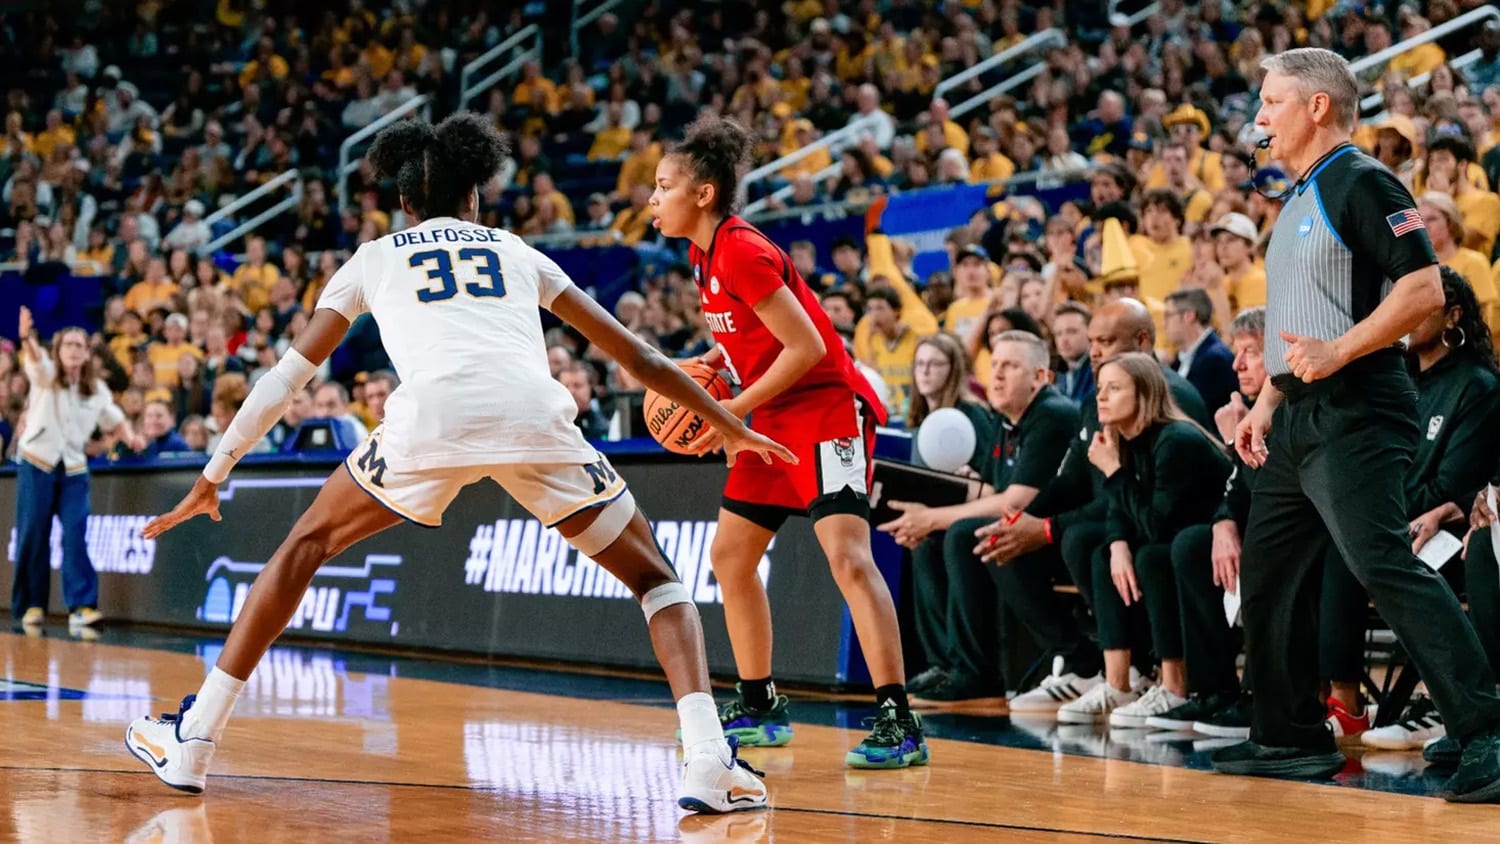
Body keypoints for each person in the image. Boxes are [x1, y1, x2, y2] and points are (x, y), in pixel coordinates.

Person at [124, 113, 790, 813]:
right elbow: (640, 358)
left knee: (303, 548)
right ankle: (709, 762)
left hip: (431, 419)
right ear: (475, 195)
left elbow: (285, 380)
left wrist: (213, 475)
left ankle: (195, 740)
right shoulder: (516, 250)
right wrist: (729, 424)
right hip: (534, 414)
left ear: (404, 203)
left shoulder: (374, 257)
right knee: (658, 583)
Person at [1214, 47, 1500, 803]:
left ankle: (1487, 730)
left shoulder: (1363, 182)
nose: (1259, 116)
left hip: (1359, 408)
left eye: (1272, 101)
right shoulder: (1298, 196)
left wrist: (1338, 351)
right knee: (1269, 574)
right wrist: (1266, 405)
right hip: (1298, 414)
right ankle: (1287, 736)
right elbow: (1295, 328)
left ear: (1316, 107)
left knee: (1383, 564)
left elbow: (1425, 291)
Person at [649, 115, 927, 768]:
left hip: (824, 409)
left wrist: (728, 416)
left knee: (848, 558)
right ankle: (760, 703)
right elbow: (749, 328)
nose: (652, 199)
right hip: (770, 416)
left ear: (704, 195)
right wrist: (719, 362)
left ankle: (899, 719)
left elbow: (806, 346)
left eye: (663, 186)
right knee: (731, 556)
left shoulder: (743, 249)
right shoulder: (703, 255)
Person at [1322, 267, 1500, 744]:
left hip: (1448, 528)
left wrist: (1384, 507)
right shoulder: (1394, 380)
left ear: (1452, 315)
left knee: (1409, 563)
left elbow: (1454, 484)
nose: (1403, 318)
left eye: (1417, 307)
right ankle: (1346, 703)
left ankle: (1442, 702)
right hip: (1396, 520)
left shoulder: (1477, 385)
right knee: (1338, 552)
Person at [1060, 353, 1230, 725]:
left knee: (1152, 556)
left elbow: (1155, 524)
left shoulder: (1175, 440)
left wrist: (1112, 472)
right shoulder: (1124, 439)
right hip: (1176, 538)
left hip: (1216, 540)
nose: (1100, 397)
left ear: (1144, 395)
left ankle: (1175, 685)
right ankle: (1119, 681)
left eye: (1114, 388)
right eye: (1100, 387)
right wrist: (1118, 543)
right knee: (1105, 554)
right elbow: (1120, 511)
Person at [12, 307, 145, 630]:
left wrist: (132, 437)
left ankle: (82, 606)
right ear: (57, 351)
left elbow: (113, 418)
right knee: (33, 534)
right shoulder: (46, 376)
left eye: (79, 345)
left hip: (73, 469)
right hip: (36, 463)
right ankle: (32, 605)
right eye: (67, 345)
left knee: (76, 533)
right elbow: (35, 361)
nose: (73, 350)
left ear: (87, 353)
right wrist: (27, 337)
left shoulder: (96, 390)